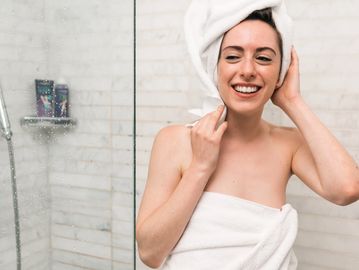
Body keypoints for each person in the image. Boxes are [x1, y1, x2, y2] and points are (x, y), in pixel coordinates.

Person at [136, 2, 359, 269]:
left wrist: (293, 101)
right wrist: (200, 167)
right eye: (232, 56)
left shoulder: (288, 145)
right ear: (213, 66)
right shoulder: (175, 141)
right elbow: (149, 252)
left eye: (264, 58)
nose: (248, 70)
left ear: (281, 70)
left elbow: (347, 189)